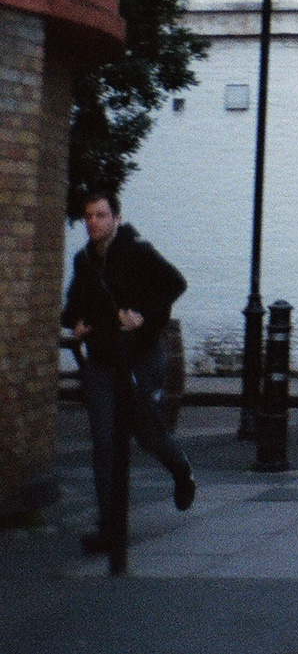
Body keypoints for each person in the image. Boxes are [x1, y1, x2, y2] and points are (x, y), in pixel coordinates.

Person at [61, 191, 195, 553]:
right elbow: (72, 306)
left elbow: (175, 284)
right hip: (104, 360)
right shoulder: (84, 260)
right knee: (104, 441)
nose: (94, 222)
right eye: (89, 216)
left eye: (102, 215)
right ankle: (110, 527)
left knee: (147, 433)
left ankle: (180, 468)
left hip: (140, 357)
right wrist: (77, 322)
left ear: (116, 218)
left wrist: (143, 315)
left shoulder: (137, 251)